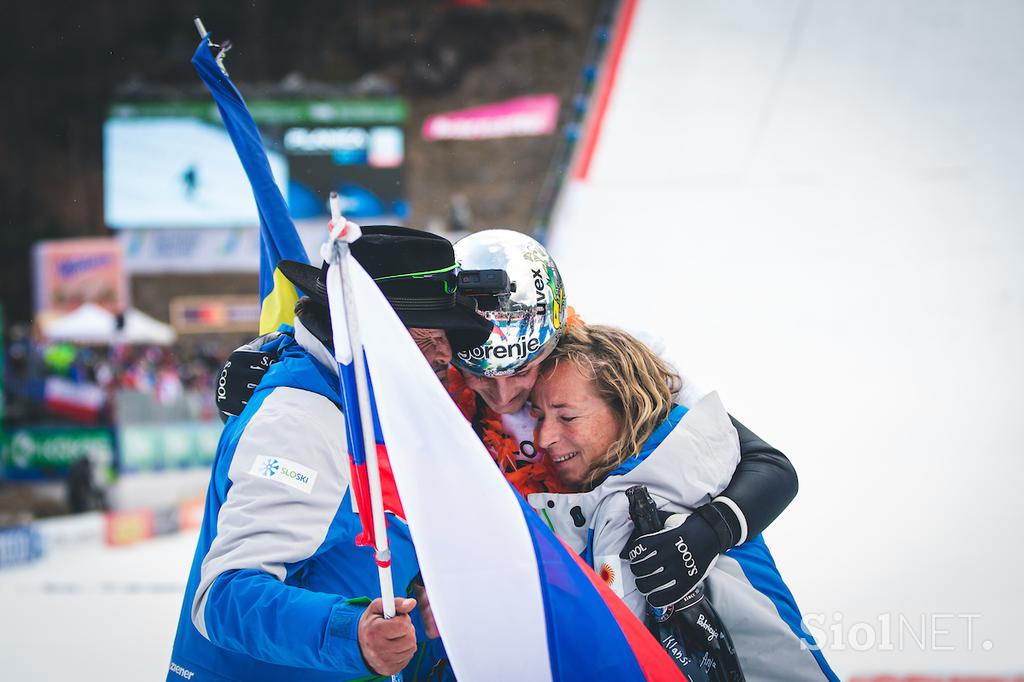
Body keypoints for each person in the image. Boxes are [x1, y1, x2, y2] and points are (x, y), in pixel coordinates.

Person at [168, 226, 490, 682]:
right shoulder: (302, 422)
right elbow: (223, 597)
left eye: (447, 334)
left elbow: (351, 543)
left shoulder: (368, 401)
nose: (444, 355)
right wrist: (351, 633)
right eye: (425, 335)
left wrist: (417, 589)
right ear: (362, 331)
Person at [449, 229, 800, 612]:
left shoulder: (607, 370)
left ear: (553, 342)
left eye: (522, 369)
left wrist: (706, 534)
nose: (502, 396)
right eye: (479, 373)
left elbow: (769, 467)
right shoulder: (442, 406)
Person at [529, 323, 837, 680]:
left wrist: (709, 531)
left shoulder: (686, 475)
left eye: (567, 416)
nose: (543, 437)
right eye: (537, 416)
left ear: (624, 403)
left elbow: (776, 470)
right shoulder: (600, 506)